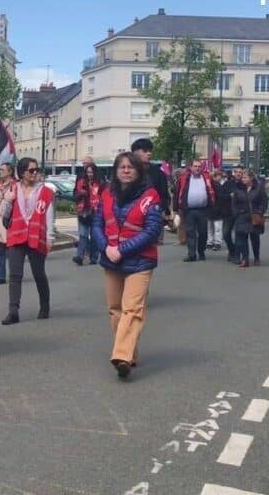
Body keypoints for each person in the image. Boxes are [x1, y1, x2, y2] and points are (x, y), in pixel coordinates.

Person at [92, 152, 161, 380]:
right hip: (111, 259)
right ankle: (129, 352)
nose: (126, 170)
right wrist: (106, 248)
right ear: (115, 171)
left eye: (130, 167)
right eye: (121, 167)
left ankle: (121, 356)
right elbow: (97, 225)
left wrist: (122, 249)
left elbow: (152, 231)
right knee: (115, 309)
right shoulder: (107, 194)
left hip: (140, 261)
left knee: (132, 309)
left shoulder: (150, 197)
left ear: (139, 171)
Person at [2, 157, 55, 325]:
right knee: (15, 276)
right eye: (31, 170)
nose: (35, 173)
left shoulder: (45, 191)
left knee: (39, 274)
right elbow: (4, 216)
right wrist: (8, 201)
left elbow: (49, 215)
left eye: (36, 170)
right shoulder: (13, 188)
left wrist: (50, 237)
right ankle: (13, 311)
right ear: (22, 173)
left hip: (36, 236)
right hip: (16, 234)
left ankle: (44, 306)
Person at [130, 138, 171, 244]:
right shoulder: (127, 171)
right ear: (135, 152)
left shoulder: (158, 173)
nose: (149, 153)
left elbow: (164, 195)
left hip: (151, 217)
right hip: (130, 217)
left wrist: (161, 211)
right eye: (145, 151)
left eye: (150, 151)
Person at [174, 159, 216, 262]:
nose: (197, 168)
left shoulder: (206, 178)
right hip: (189, 210)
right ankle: (191, 254)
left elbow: (214, 190)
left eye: (199, 166)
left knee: (203, 233)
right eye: (195, 166)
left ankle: (201, 252)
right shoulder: (184, 178)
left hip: (203, 210)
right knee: (190, 233)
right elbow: (177, 192)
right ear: (191, 167)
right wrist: (175, 208)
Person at [232, 170, 268, 267]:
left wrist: (259, 212)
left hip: (254, 216)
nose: (243, 179)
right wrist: (237, 212)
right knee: (242, 238)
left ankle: (256, 257)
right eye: (242, 178)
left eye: (245, 177)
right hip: (242, 216)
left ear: (251, 178)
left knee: (254, 238)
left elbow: (264, 202)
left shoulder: (258, 188)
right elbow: (234, 203)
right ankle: (245, 259)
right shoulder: (238, 188)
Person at [0, 163, 15, 285]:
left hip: (10, 223)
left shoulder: (16, 185)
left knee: (12, 252)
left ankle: (15, 273)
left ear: (10, 172)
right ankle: (0, 276)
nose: (0, 171)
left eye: (2, 170)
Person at [72, 163, 102, 265]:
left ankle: (94, 257)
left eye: (91, 172)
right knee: (83, 235)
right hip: (83, 212)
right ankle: (80, 256)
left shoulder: (100, 183)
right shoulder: (81, 182)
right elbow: (75, 195)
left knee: (94, 236)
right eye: (88, 172)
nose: (90, 174)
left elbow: (104, 196)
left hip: (96, 212)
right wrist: (80, 194)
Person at [207, 170, 226, 251]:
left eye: (219, 176)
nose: (218, 177)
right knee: (212, 227)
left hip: (217, 208)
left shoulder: (221, 185)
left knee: (216, 227)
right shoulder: (212, 185)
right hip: (213, 208)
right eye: (216, 176)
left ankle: (215, 242)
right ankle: (211, 242)